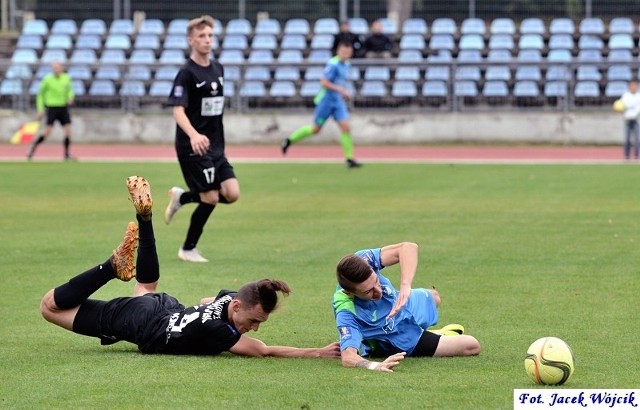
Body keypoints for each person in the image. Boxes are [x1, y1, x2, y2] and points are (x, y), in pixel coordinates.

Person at [40, 176, 341, 359]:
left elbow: (206, 302)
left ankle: (145, 221)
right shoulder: (219, 330)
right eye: (255, 319)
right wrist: (316, 352)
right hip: (149, 322)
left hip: (164, 310)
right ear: (237, 305)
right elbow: (263, 350)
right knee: (50, 306)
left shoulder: (229, 298)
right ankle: (111, 266)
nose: (255, 327)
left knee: (145, 288)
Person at [332, 242, 481, 372]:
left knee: (435, 296)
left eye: (376, 282)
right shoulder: (346, 311)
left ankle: (434, 333)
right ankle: (430, 336)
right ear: (349, 292)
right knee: (472, 345)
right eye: (368, 291)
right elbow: (348, 357)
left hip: (399, 304)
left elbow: (408, 247)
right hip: (401, 336)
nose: (378, 291)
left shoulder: (362, 260)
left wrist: (405, 286)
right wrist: (374, 366)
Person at [165, 15, 239, 263]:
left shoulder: (218, 68)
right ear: (191, 40)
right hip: (193, 146)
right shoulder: (186, 73)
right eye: (201, 36)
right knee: (211, 197)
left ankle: (182, 197)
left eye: (210, 36)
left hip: (216, 145)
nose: (207, 40)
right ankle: (187, 249)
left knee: (232, 193)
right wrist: (194, 134)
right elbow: (177, 109)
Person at [281, 41, 362, 169]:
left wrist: (342, 92)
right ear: (338, 51)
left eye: (348, 52)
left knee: (346, 127)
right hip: (326, 101)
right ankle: (289, 140)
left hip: (337, 102)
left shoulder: (347, 64)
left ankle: (349, 159)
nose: (346, 54)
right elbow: (324, 82)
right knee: (315, 129)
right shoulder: (332, 64)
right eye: (344, 52)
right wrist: (340, 90)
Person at [27, 61, 75, 160]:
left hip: (63, 107)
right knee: (47, 131)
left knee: (68, 130)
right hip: (52, 107)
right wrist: (40, 108)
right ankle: (33, 149)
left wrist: (70, 97)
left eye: (58, 67)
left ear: (61, 68)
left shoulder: (66, 78)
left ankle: (66, 154)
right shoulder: (47, 80)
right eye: (54, 67)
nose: (56, 69)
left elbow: (70, 90)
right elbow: (40, 95)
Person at [618, 80, 640, 160]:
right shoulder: (626, 96)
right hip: (627, 120)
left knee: (637, 139)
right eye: (632, 86)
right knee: (627, 139)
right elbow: (620, 106)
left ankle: (636, 156)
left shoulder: (638, 96)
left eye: (635, 86)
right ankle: (626, 156)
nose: (634, 87)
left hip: (636, 120)